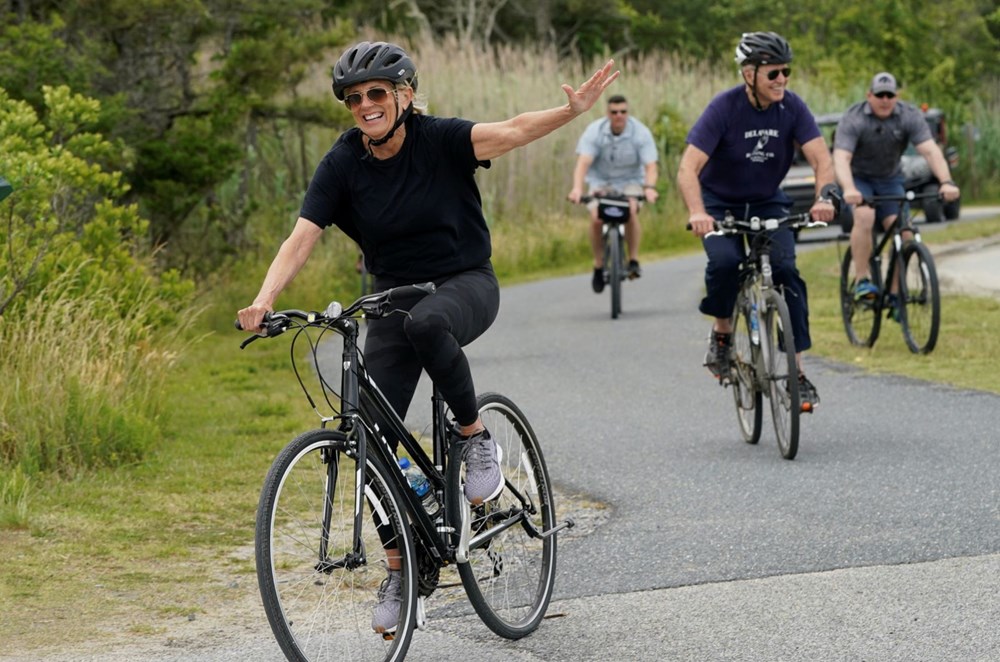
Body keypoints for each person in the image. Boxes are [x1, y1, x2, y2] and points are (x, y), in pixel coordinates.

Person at [236, 40, 619, 634]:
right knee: (366, 439)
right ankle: (403, 566)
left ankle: (475, 438)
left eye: (377, 94)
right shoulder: (342, 164)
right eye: (355, 98)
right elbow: (301, 236)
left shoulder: (440, 138)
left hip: (465, 279)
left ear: (405, 95)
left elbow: (513, 130)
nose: (366, 105)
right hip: (391, 292)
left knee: (428, 323)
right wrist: (265, 301)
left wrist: (569, 112)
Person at [676, 31, 836, 411]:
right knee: (725, 263)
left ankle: (796, 372)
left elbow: (821, 159)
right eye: (773, 73)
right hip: (719, 204)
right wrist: (698, 212)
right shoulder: (724, 108)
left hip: (767, 201)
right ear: (750, 74)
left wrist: (824, 197)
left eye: (786, 72)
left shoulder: (793, 108)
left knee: (787, 272)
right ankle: (722, 334)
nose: (781, 80)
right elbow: (687, 168)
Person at [834, 71, 960, 317]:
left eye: (889, 95)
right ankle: (862, 280)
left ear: (896, 96)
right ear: (869, 95)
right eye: (879, 95)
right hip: (858, 178)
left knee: (905, 232)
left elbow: (931, 151)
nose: (884, 100)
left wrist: (946, 181)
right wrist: (849, 189)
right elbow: (841, 157)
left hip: (890, 179)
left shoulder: (908, 116)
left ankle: (894, 295)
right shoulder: (854, 118)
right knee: (865, 217)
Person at [567, 94, 659, 292]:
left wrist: (649, 189)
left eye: (623, 112)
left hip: (631, 182)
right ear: (607, 113)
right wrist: (577, 189)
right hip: (601, 182)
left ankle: (633, 260)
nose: (619, 116)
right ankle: (599, 265)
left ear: (628, 112)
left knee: (631, 211)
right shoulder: (595, 132)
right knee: (596, 218)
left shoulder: (640, 133)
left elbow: (651, 166)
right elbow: (583, 164)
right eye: (614, 112)